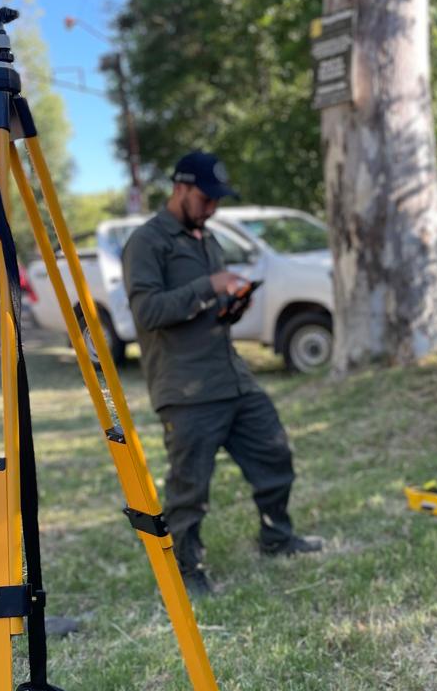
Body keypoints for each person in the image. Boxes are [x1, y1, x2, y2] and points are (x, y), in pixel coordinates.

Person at [121, 150, 322, 596]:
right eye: (206, 198)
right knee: (190, 487)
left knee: (274, 454)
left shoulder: (205, 239)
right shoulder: (148, 242)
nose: (213, 207)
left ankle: (277, 536)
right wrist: (209, 285)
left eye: (217, 200)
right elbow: (148, 311)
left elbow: (207, 309)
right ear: (181, 189)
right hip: (186, 386)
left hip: (230, 375)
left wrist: (233, 304)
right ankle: (186, 571)